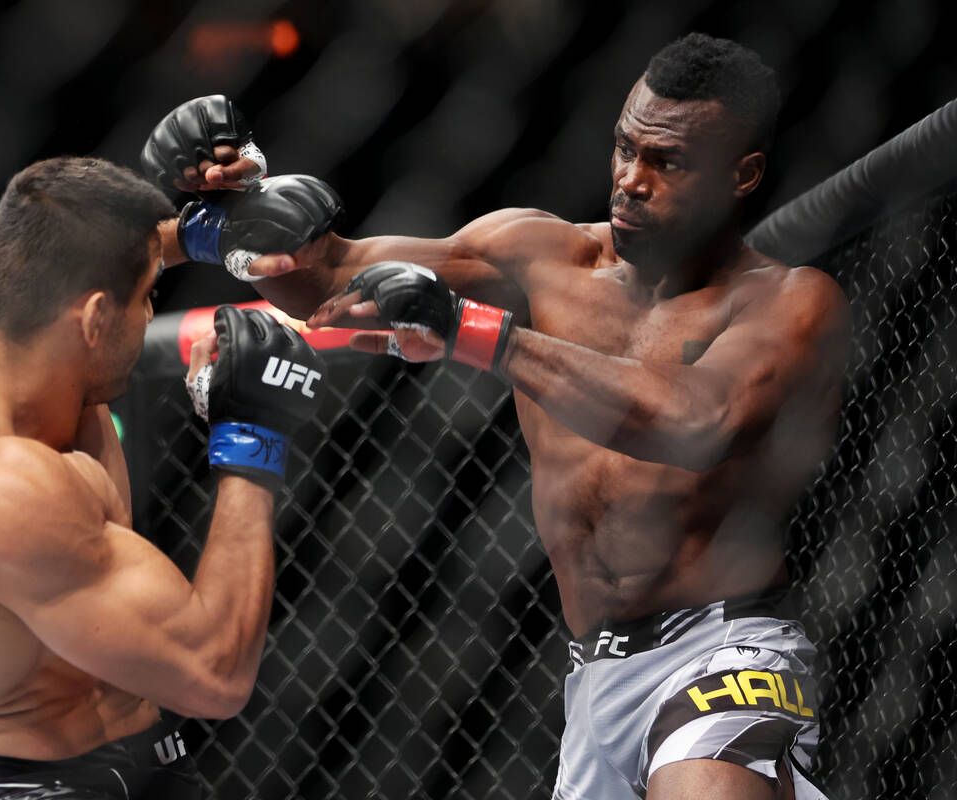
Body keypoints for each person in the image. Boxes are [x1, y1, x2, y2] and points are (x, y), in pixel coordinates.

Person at [141, 33, 849, 800]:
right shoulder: (540, 253)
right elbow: (332, 278)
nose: (630, 181)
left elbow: (696, 420)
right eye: (624, 149)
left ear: (741, 173)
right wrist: (242, 206)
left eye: (666, 162)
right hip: (594, 675)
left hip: (725, 648)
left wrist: (479, 332)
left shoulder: (788, 300)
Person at [0, 156, 326, 799]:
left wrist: (207, 231)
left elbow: (71, 240)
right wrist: (251, 434)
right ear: (93, 318)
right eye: (147, 296)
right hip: (46, 784)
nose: (150, 313)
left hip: (147, 757)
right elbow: (213, 676)